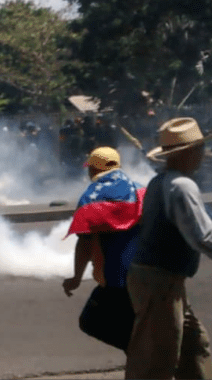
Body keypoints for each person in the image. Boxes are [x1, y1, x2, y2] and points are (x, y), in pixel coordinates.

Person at [124, 117, 212, 379]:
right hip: (159, 283)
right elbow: (203, 236)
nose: (203, 154)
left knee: (194, 347)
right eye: (198, 149)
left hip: (160, 282)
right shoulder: (182, 186)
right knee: (156, 361)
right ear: (188, 153)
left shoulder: (160, 182)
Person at [62, 146, 146, 352]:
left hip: (116, 281)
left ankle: (141, 356)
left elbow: (85, 243)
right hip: (146, 275)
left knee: (91, 321)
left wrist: (76, 278)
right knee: (136, 327)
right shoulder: (141, 189)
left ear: (92, 170)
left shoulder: (91, 198)